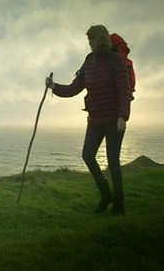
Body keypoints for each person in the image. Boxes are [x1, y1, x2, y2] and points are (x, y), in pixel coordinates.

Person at [45, 25, 132, 216]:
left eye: (93, 39)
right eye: (88, 40)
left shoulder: (115, 61)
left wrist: (122, 117)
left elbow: (125, 91)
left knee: (113, 162)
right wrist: (54, 87)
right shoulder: (89, 62)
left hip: (114, 120)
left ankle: (119, 207)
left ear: (101, 39)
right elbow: (74, 88)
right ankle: (106, 195)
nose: (90, 43)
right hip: (95, 119)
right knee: (87, 155)